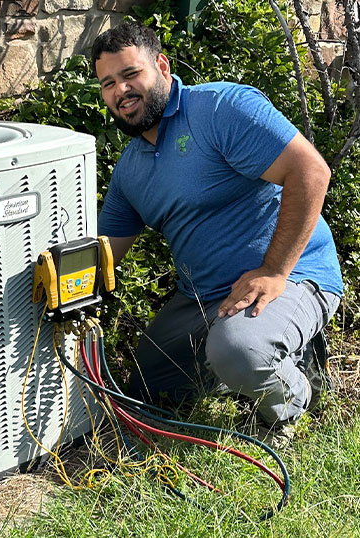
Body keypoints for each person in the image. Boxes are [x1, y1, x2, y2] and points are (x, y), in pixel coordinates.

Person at [92, 22, 343, 439]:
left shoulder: (219, 109)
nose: (121, 91)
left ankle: (295, 395)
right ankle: (247, 361)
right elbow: (103, 255)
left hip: (292, 277)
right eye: (109, 83)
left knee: (240, 351)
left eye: (130, 74)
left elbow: (311, 171)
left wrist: (275, 271)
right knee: (147, 383)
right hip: (206, 299)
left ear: (161, 65)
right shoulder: (130, 170)